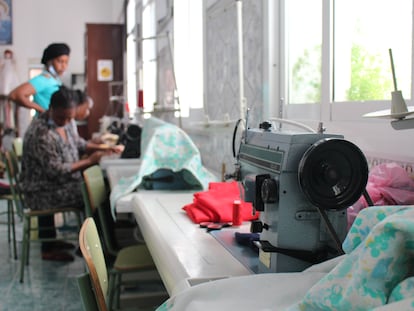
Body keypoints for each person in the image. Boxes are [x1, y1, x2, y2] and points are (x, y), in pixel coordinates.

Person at [20, 85, 123, 261]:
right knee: (97, 195)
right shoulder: (41, 133)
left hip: (60, 184)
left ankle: (94, 245)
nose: (66, 122)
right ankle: (99, 250)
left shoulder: (66, 121)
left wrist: (104, 148)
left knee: (100, 191)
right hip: (42, 191)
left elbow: (79, 144)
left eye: (70, 118)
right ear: (51, 109)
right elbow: (56, 170)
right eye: (62, 117)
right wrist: (90, 161)